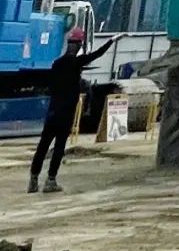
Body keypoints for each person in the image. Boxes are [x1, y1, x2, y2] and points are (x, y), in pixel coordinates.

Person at [28, 26, 115, 193]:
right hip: (65, 113)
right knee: (59, 147)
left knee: (43, 146)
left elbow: (51, 86)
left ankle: (33, 180)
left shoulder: (57, 63)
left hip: (52, 112)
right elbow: (96, 54)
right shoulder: (76, 63)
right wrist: (112, 41)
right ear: (79, 45)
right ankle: (50, 180)